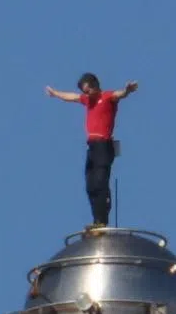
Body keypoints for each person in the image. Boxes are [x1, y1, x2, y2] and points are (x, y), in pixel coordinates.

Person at [45, 74, 139, 228]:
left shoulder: (106, 97)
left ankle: (102, 220)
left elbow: (119, 94)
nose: (86, 94)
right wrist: (55, 94)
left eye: (88, 90)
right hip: (92, 147)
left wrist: (127, 90)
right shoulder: (88, 100)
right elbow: (72, 97)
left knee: (101, 182)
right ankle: (96, 220)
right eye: (85, 91)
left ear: (95, 86)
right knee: (91, 186)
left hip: (103, 145)